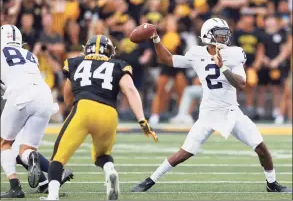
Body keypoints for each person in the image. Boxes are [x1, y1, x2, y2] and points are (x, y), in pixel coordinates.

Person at [132, 18, 292, 193]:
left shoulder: (234, 53)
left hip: (232, 111)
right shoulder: (196, 54)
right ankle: (149, 181)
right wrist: (156, 39)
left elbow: (241, 84)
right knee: (185, 152)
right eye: (220, 34)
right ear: (208, 36)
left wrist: (223, 67)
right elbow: (167, 59)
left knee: (261, 147)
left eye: (225, 34)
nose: (224, 38)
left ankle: (272, 183)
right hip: (209, 112)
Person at [43, 35, 158, 200]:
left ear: (86, 49)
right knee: (101, 155)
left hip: (83, 109)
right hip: (109, 113)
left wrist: (71, 107)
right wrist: (142, 120)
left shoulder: (75, 62)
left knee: (58, 157)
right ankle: (110, 169)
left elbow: (67, 96)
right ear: (110, 51)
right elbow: (131, 90)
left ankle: (52, 196)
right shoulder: (119, 65)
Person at [0, 25, 56, 198]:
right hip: (44, 95)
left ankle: (15, 186)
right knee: (26, 148)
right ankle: (34, 159)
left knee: (5, 143)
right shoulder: (30, 55)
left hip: (20, 94)